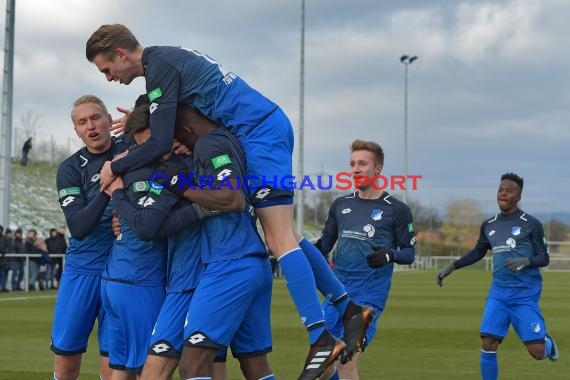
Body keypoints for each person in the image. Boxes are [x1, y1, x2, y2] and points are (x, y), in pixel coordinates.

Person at [86, 25, 372, 379]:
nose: (109, 77)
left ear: (120, 54)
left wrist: (116, 164)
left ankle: (319, 336)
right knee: (288, 235)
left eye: (106, 69)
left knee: (279, 239)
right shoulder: (164, 60)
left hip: (258, 132)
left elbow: (159, 143)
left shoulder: (158, 67)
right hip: (262, 129)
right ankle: (346, 307)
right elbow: (167, 127)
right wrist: (142, 121)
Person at [437, 172, 559, 380]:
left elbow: (544, 258)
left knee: (537, 353)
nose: (503, 193)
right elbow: (478, 252)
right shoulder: (489, 224)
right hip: (499, 294)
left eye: (510, 190)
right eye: (501, 189)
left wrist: (527, 261)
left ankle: (547, 343)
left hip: (524, 295)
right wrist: (453, 266)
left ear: (518, 196)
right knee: (488, 343)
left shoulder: (531, 224)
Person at [314, 140, 416, 380]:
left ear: (377, 169)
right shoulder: (341, 205)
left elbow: (409, 253)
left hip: (368, 298)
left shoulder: (396, 209)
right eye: (352, 164)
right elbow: (323, 246)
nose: (355, 169)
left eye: (362, 163)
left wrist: (389, 255)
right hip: (336, 294)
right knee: (323, 367)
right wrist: (293, 249)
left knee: (346, 361)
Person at [50, 95, 131, 380]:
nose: (91, 126)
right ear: (76, 131)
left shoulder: (132, 148)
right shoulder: (70, 169)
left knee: (114, 367)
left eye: (95, 118)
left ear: (110, 120)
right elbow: (79, 226)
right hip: (82, 269)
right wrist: (106, 190)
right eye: (82, 122)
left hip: (122, 270)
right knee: (66, 363)